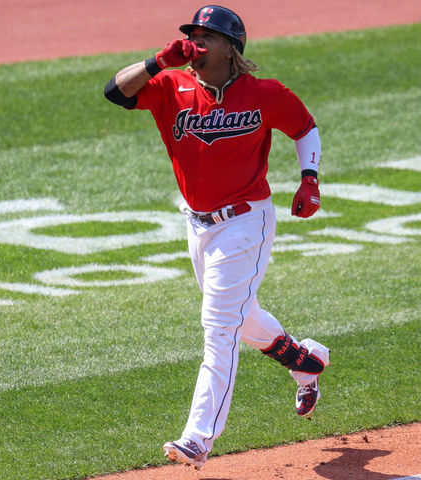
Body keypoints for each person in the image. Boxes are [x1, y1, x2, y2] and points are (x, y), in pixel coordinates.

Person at [104, 5, 330, 470]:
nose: (196, 42)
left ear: (232, 47)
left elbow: (304, 127)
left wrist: (310, 178)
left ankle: (198, 437)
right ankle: (304, 361)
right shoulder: (170, 86)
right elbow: (115, 92)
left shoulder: (263, 94)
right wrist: (156, 61)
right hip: (198, 224)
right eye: (192, 34)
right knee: (237, 315)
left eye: (207, 36)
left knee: (219, 328)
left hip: (246, 222)